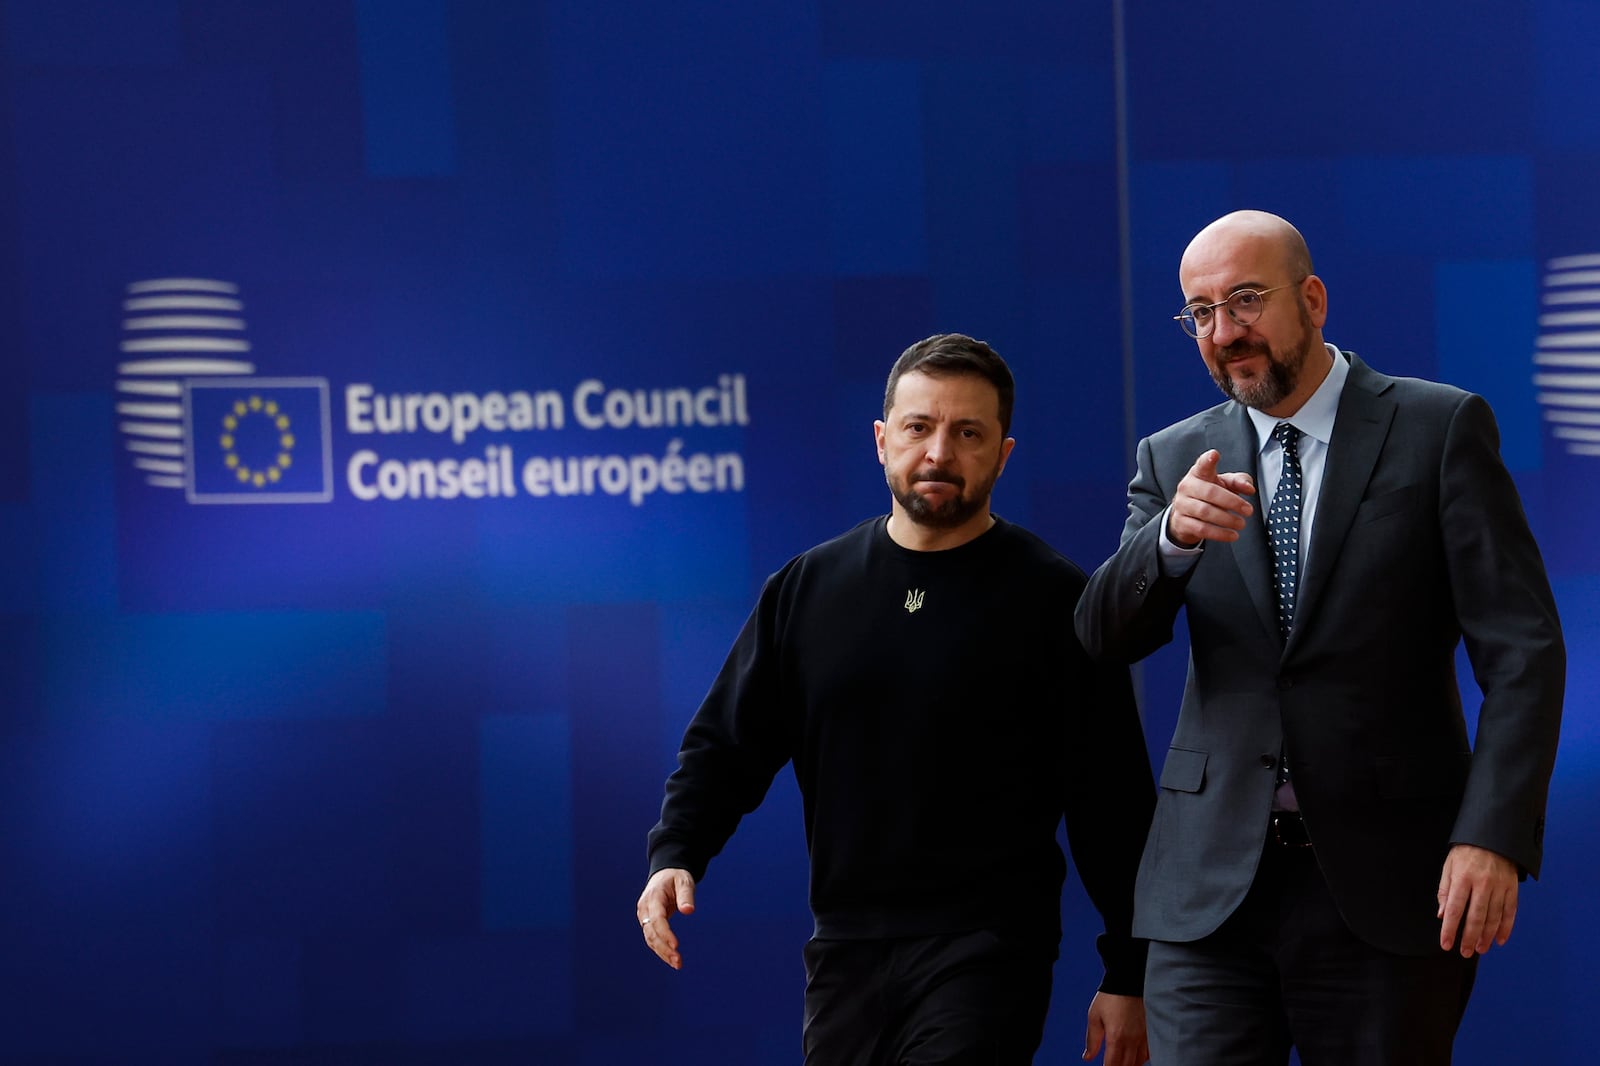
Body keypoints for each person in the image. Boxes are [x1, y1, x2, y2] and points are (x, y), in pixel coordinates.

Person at [1074, 210, 1565, 1064]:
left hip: (1388, 882)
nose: (1224, 333)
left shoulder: (1438, 428)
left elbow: (1524, 653)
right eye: (1200, 312)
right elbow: (1102, 635)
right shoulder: (1174, 458)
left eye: (1246, 300)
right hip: (1207, 895)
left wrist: (1491, 834)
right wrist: (1169, 543)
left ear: (1313, 298)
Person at [637, 333, 1157, 1065]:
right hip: (845, 948)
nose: (939, 453)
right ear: (883, 441)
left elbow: (1113, 800)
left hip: (990, 948)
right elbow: (727, 742)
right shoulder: (807, 589)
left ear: (1003, 455)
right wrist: (677, 851)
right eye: (919, 428)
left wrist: (1129, 970)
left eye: (967, 433)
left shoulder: (1056, 600)